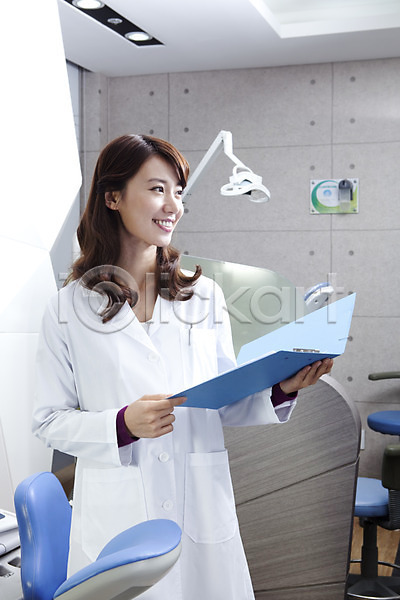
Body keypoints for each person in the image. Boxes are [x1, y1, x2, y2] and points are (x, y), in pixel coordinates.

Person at [32, 134, 333, 600]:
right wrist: (121, 424)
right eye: (157, 189)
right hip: (119, 515)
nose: (173, 205)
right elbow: (48, 420)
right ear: (112, 198)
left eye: (178, 191)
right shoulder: (68, 307)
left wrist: (281, 389)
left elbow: (223, 400)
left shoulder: (204, 296)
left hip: (200, 505)